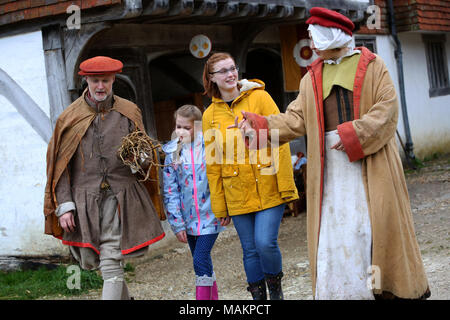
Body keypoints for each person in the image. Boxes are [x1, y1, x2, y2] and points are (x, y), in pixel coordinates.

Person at [234, 7, 430, 300]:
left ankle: (383, 289)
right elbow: (295, 119)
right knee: (334, 233)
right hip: (329, 169)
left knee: (372, 227)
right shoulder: (312, 76)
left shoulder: (374, 65)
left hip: (370, 162)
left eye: (315, 37)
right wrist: (260, 126)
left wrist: (353, 134)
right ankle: (345, 292)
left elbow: (387, 111)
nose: (311, 44)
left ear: (330, 36)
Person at [44, 56, 165, 300]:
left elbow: (143, 160)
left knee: (111, 259)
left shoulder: (128, 112)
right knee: (101, 262)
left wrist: (142, 157)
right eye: (96, 81)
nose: (101, 86)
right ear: (86, 80)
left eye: (106, 81)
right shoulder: (69, 118)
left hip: (121, 199)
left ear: (113, 81)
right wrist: (64, 206)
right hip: (84, 202)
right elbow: (60, 167)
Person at [201, 52, 298, 300]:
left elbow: (281, 140)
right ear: (211, 78)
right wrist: (219, 205)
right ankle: (258, 299)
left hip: (268, 184)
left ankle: (276, 292)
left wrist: (286, 185)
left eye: (232, 68)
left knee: (265, 243)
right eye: (222, 71)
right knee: (250, 250)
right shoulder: (209, 116)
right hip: (236, 192)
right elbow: (213, 163)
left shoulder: (260, 98)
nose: (230, 74)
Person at [162, 104, 224, 300]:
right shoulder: (173, 153)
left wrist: (225, 209)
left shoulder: (210, 147)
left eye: (186, 128)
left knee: (199, 260)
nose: (180, 131)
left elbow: (221, 179)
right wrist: (177, 223)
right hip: (188, 220)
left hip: (211, 216)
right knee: (203, 261)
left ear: (198, 127)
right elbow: (170, 190)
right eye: (178, 126)